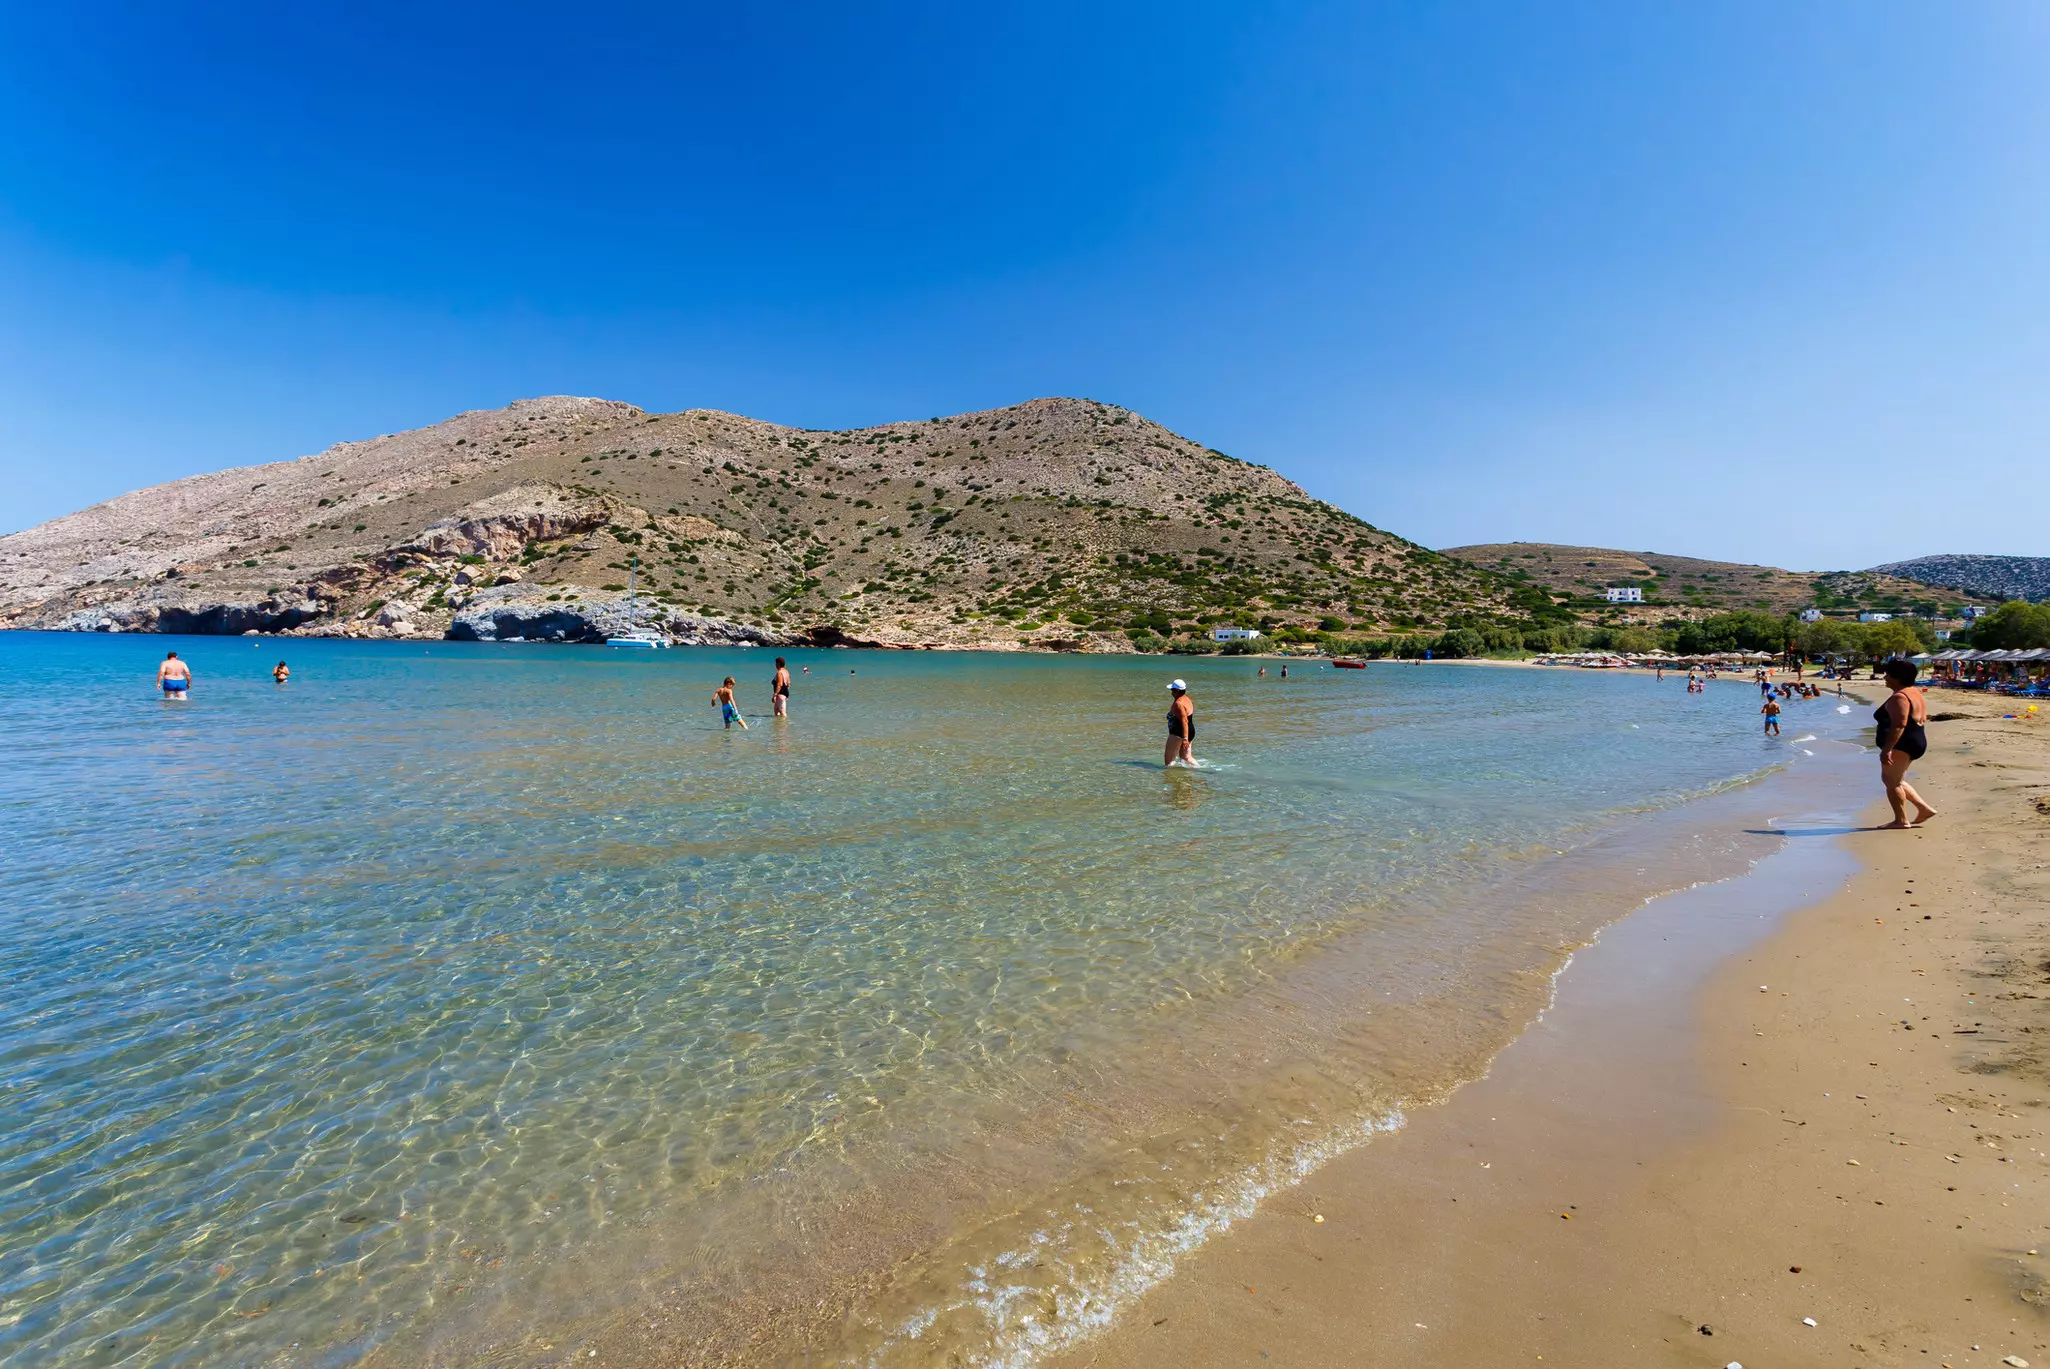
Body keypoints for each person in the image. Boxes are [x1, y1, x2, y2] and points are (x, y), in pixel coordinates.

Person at [1874, 659, 1937, 828]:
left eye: (1888, 674)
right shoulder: (1913, 692)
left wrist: (1887, 749)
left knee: (1891, 781)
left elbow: (1899, 724)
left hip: (1903, 743)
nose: (1885, 677)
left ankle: (1901, 820)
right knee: (1897, 780)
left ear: (1897, 677)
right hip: (1915, 740)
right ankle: (1924, 809)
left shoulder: (1899, 697)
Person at [1164, 679, 1195, 767]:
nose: (1171, 693)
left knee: (1169, 762)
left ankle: (1170, 779)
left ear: (1177, 691)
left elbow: (1184, 721)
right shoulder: (1186, 699)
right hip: (1190, 730)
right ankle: (1202, 770)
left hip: (1178, 732)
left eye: (1172, 690)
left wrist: (1185, 738)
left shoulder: (1179, 703)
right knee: (1186, 758)